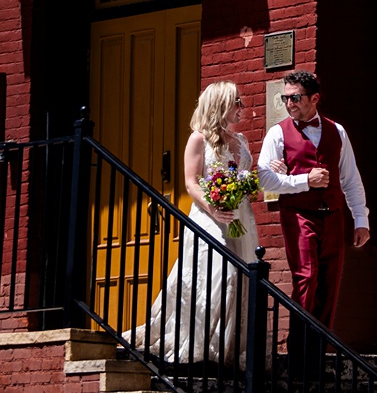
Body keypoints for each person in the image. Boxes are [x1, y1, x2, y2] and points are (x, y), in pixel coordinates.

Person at [130, 80, 305, 365]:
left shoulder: (242, 141)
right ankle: (200, 344)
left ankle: (230, 348)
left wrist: (268, 170)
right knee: (220, 275)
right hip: (209, 215)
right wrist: (213, 207)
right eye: (237, 102)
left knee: (243, 279)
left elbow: (247, 177)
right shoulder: (198, 139)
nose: (242, 108)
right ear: (220, 104)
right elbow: (191, 182)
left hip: (241, 216)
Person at [257, 70, 369, 328]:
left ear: (315, 97)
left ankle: (319, 353)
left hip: (333, 216)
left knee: (330, 283)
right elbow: (264, 179)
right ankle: (300, 352)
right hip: (298, 215)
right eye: (285, 98)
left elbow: (350, 178)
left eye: (295, 98)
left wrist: (361, 219)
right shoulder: (277, 134)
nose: (289, 104)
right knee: (306, 278)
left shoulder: (337, 131)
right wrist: (305, 180)